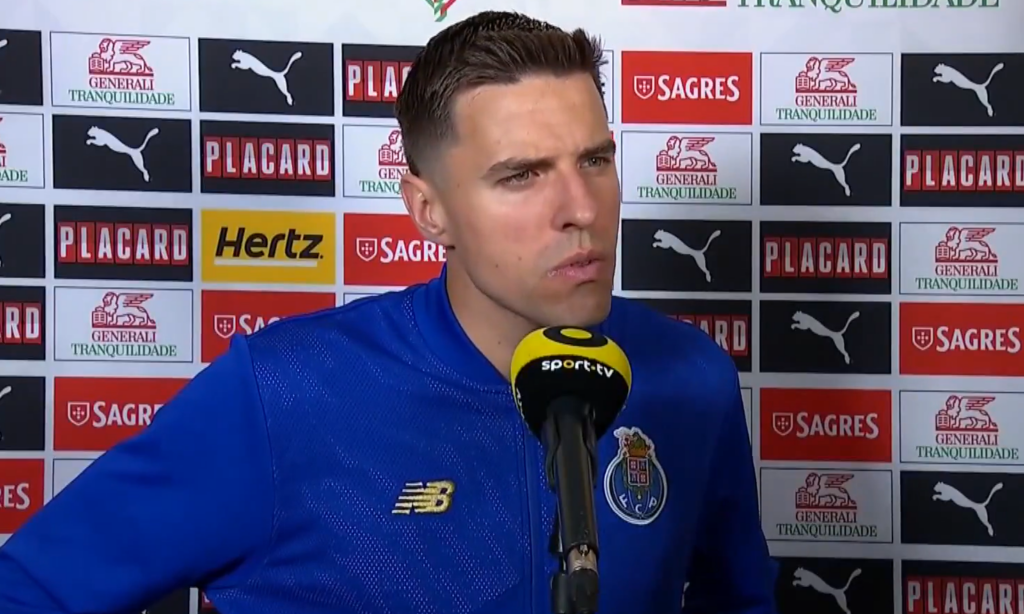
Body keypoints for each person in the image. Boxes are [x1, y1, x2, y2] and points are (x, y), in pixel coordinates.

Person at [0, 10, 776, 614]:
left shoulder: (691, 377)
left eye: (596, 160)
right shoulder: (282, 394)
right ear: (428, 210)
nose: (580, 208)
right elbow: (30, 591)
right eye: (521, 175)